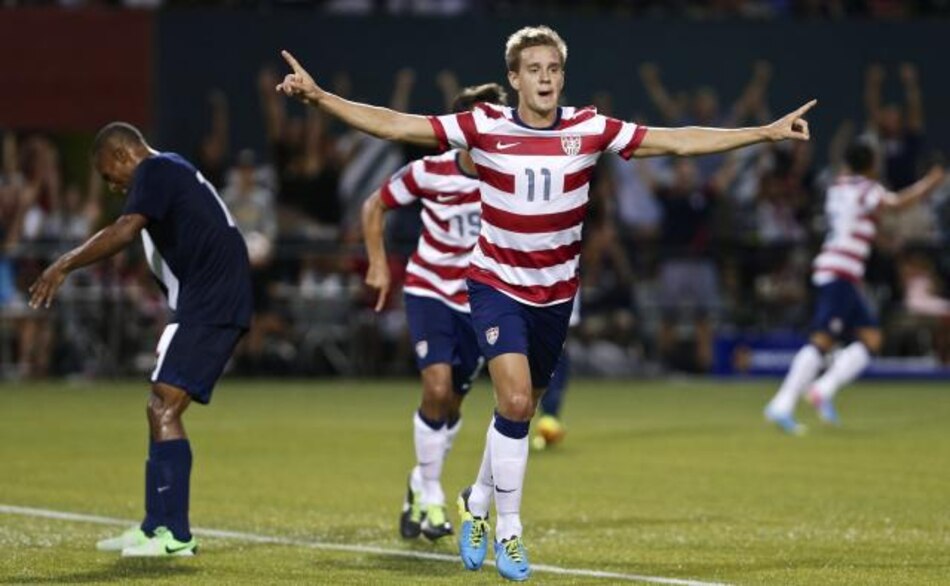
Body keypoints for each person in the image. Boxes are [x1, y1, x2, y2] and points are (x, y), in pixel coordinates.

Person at [276, 25, 814, 581]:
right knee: (512, 402)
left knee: (521, 411)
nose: (545, 78)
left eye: (553, 69)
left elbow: (677, 140)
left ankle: (477, 502)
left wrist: (764, 132)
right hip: (494, 285)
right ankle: (509, 531)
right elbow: (394, 123)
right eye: (533, 69)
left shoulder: (589, 128)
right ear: (514, 78)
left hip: (555, 295)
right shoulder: (484, 127)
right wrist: (321, 98)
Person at [29, 122, 253, 556]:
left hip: (212, 302)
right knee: (159, 406)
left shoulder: (154, 170)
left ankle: (177, 536)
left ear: (122, 155)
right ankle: (155, 525)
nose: (111, 186)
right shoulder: (171, 170)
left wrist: (64, 264)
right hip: (205, 300)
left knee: (164, 407)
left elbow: (124, 230)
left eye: (108, 175)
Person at [360, 82, 507, 542]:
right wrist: (378, 263)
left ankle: (418, 481)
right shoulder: (429, 171)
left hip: (479, 301)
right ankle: (433, 496)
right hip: (430, 290)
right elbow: (374, 205)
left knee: (453, 403)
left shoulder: (510, 179)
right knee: (436, 387)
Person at [764, 141, 945, 435]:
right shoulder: (866, 189)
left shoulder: (838, 187)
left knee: (871, 338)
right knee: (822, 340)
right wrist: (930, 183)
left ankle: (822, 389)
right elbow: (896, 205)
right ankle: (781, 404)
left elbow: (861, 223)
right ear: (872, 165)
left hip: (841, 272)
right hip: (839, 272)